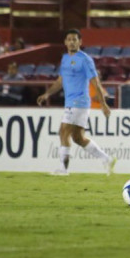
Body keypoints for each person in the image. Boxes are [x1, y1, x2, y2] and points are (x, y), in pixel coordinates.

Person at [37, 29, 116, 176]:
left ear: (80, 42)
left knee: (63, 131)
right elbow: (61, 80)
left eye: (75, 39)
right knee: (78, 138)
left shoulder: (85, 59)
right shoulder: (65, 59)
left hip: (78, 102)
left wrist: (103, 104)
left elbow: (95, 82)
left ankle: (63, 169)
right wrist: (47, 93)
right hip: (71, 102)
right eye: (69, 39)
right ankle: (107, 159)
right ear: (65, 42)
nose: (72, 42)